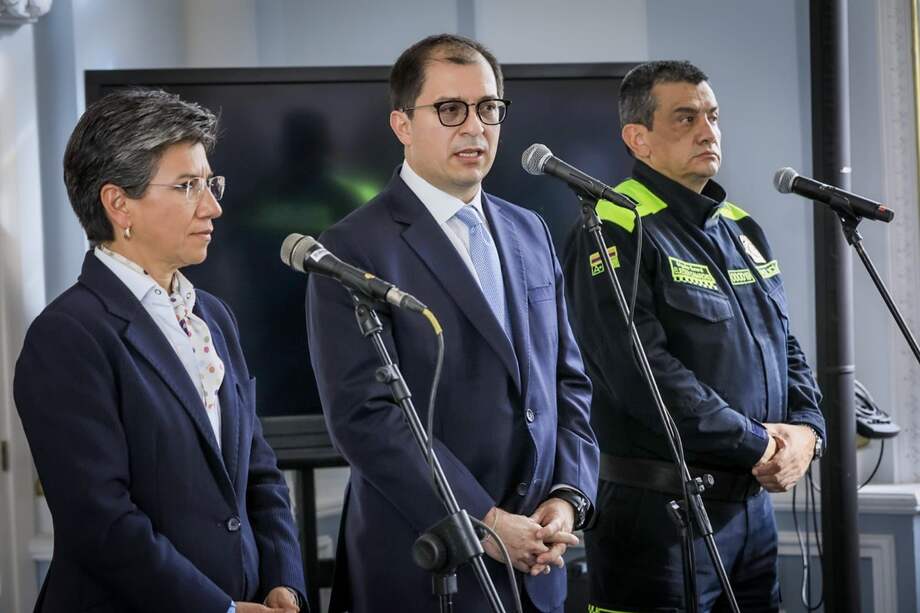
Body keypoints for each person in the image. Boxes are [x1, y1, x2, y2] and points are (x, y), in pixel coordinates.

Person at [305, 34, 598, 613]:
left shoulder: (530, 230)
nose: (475, 127)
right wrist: (484, 521)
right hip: (430, 564)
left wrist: (568, 497)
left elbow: (567, 382)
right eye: (450, 109)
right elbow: (366, 418)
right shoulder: (352, 247)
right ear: (402, 124)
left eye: (488, 108)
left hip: (541, 561)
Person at [14, 89, 306, 613]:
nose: (213, 206)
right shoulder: (66, 336)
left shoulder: (214, 317)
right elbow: (101, 521)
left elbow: (258, 473)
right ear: (118, 203)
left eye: (210, 183)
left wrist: (284, 583)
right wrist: (219, 610)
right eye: (188, 186)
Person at [561, 61, 826, 612]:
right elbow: (641, 372)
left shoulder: (740, 226)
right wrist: (758, 443)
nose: (708, 131)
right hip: (659, 514)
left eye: (713, 116)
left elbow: (785, 345)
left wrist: (807, 431)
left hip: (750, 511)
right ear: (639, 139)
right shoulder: (613, 224)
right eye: (686, 118)